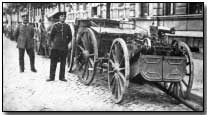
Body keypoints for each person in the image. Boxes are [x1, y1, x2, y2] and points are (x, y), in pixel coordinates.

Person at [47, 12, 72, 82]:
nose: (63, 17)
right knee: (53, 63)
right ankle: (51, 77)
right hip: (55, 47)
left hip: (64, 48)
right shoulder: (55, 26)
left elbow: (70, 37)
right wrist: (53, 44)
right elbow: (51, 36)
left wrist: (66, 43)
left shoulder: (67, 26)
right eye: (61, 16)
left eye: (64, 16)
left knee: (63, 63)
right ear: (59, 18)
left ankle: (62, 77)